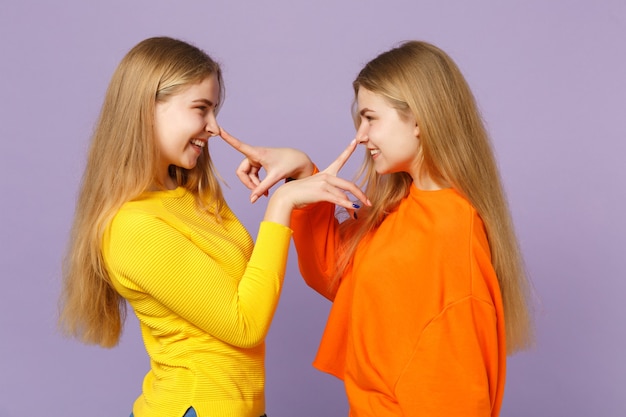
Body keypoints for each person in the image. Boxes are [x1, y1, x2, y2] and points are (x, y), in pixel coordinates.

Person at [58, 36, 368, 417]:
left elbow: (251, 286)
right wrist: (283, 204)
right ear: (147, 110)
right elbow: (245, 324)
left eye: (215, 110)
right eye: (201, 109)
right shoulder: (131, 228)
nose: (214, 127)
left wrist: (300, 168)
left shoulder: (193, 194)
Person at [224, 40, 534, 416]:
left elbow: (457, 395)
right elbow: (335, 274)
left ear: (418, 119)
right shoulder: (404, 206)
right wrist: (302, 175)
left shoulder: (451, 231)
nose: (361, 136)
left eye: (371, 118)